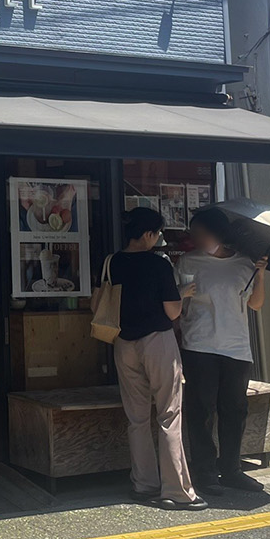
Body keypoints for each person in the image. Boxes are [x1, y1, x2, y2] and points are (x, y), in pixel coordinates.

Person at [109, 207, 206, 510]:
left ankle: (144, 483)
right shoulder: (159, 264)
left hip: (123, 343)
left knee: (136, 417)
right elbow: (172, 311)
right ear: (149, 234)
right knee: (169, 414)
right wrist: (183, 293)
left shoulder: (112, 262)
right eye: (158, 233)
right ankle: (177, 491)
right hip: (157, 342)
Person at [179, 207, 270, 494]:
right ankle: (205, 473)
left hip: (236, 346)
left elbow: (255, 305)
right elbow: (178, 303)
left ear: (216, 232)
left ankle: (231, 469)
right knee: (201, 409)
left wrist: (261, 275)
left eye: (198, 232)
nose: (194, 238)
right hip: (199, 344)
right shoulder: (187, 261)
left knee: (234, 409)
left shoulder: (245, 264)